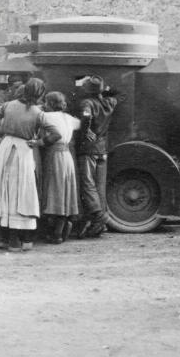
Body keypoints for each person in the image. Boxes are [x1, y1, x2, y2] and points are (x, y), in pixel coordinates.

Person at [0, 78, 61, 251]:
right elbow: (56, 134)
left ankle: (2, 238)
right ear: (40, 94)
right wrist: (39, 142)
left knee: (3, 190)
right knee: (20, 192)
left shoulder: (8, 105)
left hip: (5, 148)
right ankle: (16, 240)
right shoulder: (38, 112)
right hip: (23, 151)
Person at [75, 75, 118, 238]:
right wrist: (103, 87)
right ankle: (96, 220)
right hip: (102, 148)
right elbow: (118, 93)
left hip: (89, 149)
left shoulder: (87, 103)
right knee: (99, 186)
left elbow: (86, 118)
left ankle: (100, 218)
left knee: (87, 184)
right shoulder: (110, 102)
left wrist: (86, 132)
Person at [40, 91, 80, 244]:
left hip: (54, 155)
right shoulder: (69, 118)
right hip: (67, 155)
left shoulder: (46, 117)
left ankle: (55, 233)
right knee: (65, 193)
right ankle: (60, 229)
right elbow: (80, 123)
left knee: (54, 192)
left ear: (49, 104)